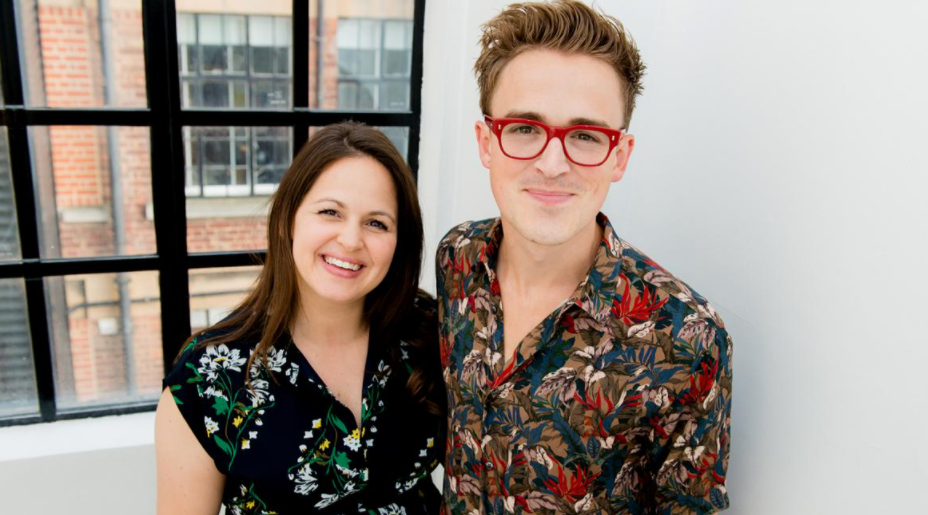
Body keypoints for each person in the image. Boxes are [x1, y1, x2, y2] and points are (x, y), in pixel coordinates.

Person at [436, 1, 733, 514]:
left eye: (586, 136)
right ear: (487, 142)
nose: (552, 164)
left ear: (619, 156)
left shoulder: (688, 336)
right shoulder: (456, 258)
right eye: (525, 128)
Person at [155, 122, 445, 514]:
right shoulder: (207, 378)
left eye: (377, 223)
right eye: (330, 212)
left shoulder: (432, 333)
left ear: (400, 243)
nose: (351, 240)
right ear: (286, 221)